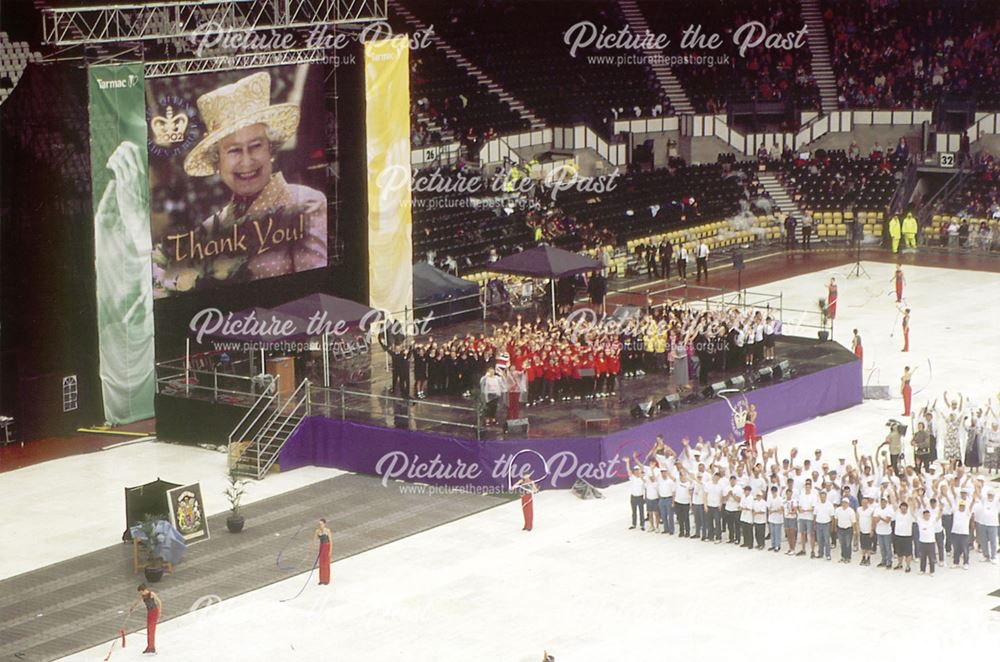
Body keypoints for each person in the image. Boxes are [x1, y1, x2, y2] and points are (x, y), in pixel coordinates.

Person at [175, 72, 327, 286]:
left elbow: (316, 294)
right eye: (234, 150)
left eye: (256, 146)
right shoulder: (209, 230)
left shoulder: (305, 204)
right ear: (217, 162)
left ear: (271, 150)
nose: (247, 161)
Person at [130, 584, 162, 655]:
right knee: (148, 630)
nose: (140, 594)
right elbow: (137, 602)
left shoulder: (151, 594)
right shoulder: (143, 596)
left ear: (144, 590)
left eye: (141, 592)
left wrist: (160, 611)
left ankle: (152, 648)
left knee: (152, 630)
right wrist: (132, 607)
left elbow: (159, 602)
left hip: (154, 612)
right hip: (149, 612)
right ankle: (149, 646)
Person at [834, 498, 858, 563]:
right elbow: (836, 519)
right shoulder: (838, 510)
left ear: (848, 503)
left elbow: (853, 522)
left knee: (848, 544)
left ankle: (848, 557)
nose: (844, 504)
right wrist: (836, 527)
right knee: (842, 543)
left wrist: (855, 530)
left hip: (848, 529)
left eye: (846, 503)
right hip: (840, 529)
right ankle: (843, 556)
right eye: (843, 502)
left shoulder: (851, 511)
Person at [916, 508, 939, 575]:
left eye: (928, 515)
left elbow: (939, 516)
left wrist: (940, 508)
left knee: (931, 557)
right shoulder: (920, 521)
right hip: (922, 541)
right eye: (925, 515)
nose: (927, 516)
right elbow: (913, 514)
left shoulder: (932, 521)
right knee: (922, 557)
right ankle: (922, 570)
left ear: (929, 515)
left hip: (930, 542)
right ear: (923, 516)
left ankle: (932, 571)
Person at [315, 518, 332, 585]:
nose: (320, 525)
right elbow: (315, 539)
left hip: (326, 546)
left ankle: (326, 579)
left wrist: (330, 551)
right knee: (321, 563)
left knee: (326, 563)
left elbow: (331, 541)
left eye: (321, 524)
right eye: (319, 524)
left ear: (324, 524)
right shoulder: (318, 531)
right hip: (321, 547)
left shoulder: (327, 531)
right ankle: (321, 579)